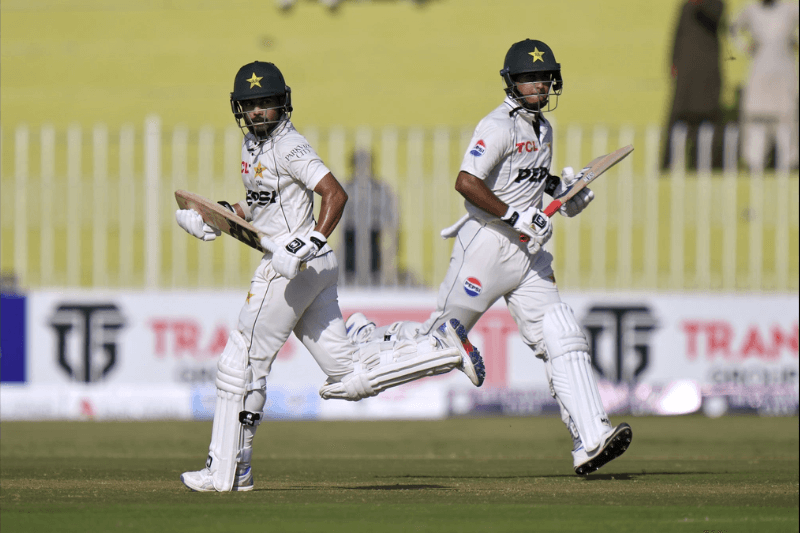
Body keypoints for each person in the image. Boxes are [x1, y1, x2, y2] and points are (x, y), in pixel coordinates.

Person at [175, 61, 485, 492]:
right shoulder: (251, 147)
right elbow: (260, 212)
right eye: (250, 105)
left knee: (240, 360)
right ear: (239, 109)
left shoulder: (290, 146)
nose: (258, 113)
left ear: (282, 105)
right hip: (307, 267)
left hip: (295, 267)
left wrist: (308, 242)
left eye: (266, 104)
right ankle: (441, 348)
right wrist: (215, 218)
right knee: (348, 374)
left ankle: (226, 471)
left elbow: (335, 193)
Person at [346, 40, 632, 476]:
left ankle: (590, 438)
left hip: (527, 255)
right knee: (440, 346)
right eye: (528, 78)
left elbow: (528, 180)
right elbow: (466, 181)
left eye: (543, 77)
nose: (538, 85)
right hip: (486, 247)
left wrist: (561, 192)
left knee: (562, 333)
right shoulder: (498, 125)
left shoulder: (544, 129)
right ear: (511, 82)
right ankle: (365, 340)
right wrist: (516, 215)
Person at [730, 0, 799, 170]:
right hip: (759, 70)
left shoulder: (790, 9)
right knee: (756, 118)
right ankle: (754, 161)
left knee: (786, 117)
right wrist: (746, 47)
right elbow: (733, 28)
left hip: (784, 70)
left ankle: (789, 161)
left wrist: (795, 41)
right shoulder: (751, 10)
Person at [662, 0, 726, 169]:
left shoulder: (716, 4)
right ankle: (667, 163)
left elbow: (713, 19)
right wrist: (673, 62)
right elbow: (677, 35)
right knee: (677, 118)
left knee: (710, 120)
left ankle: (712, 163)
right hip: (686, 73)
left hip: (707, 74)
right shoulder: (686, 6)